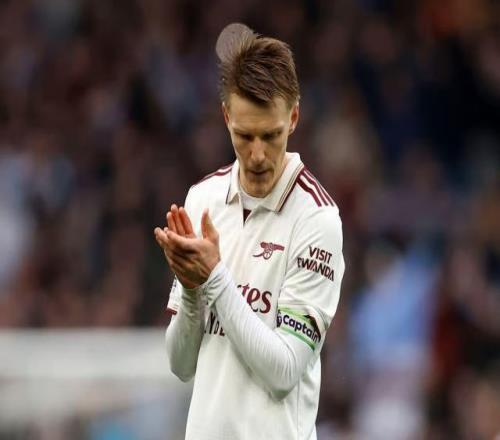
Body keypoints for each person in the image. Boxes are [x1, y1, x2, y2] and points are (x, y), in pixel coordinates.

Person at [154, 23, 345, 440]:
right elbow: (180, 365)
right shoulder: (202, 200)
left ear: (293, 118)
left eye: (271, 135)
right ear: (226, 117)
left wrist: (214, 278)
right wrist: (191, 290)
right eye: (244, 135)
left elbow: (284, 371)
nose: (257, 155)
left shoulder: (316, 219)